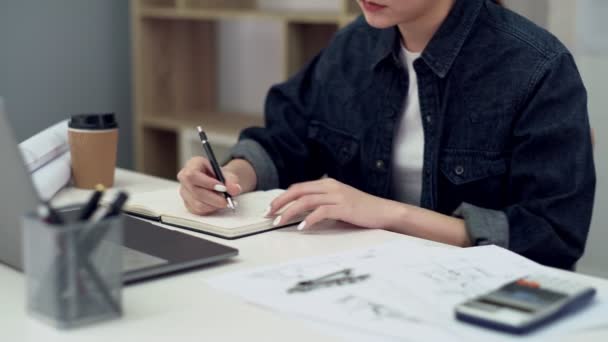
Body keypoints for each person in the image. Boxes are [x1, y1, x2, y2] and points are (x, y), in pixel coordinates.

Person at [177, 0, 595, 270]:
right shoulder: (353, 44)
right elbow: (288, 137)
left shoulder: (535, 66)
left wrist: (389, 213)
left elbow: (552, 235)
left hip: (484, 300)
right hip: (365, 279)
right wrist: (228, 176)